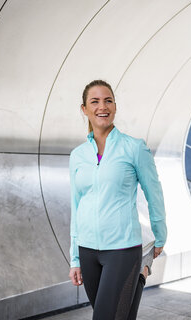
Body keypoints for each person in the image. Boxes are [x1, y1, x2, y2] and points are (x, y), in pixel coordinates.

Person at [68, 80, 167, 320]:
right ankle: (141, 276)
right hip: (88, 250)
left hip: (122, 249)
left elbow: (154, 193)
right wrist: (75, 257)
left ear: (114, 106)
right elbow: (76, 205)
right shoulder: (78, 156)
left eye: (108, 100)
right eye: (95, 101)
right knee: (119, 316)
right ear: (84, 109)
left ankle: (138, 270)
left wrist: (160, 235)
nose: (103, 106)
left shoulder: (133, 148)